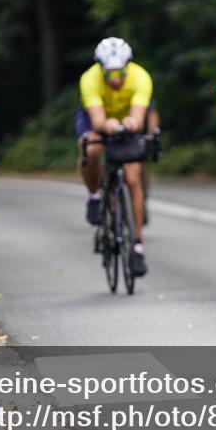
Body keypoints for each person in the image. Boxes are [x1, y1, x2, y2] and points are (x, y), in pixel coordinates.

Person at [77, 37, 153, 276]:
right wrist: (106, 124)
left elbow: (139, 118)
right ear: (100, 70)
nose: (116, 80)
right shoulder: (89, 79)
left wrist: (131, 122)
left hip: (127, 122)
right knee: (91, 149)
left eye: (120, 73)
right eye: (109, 75)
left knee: (132, 177)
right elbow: (98, 121)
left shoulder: (140, 77)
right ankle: (94, 194)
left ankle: (137, 244)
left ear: (127, 67)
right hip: (98, 119)